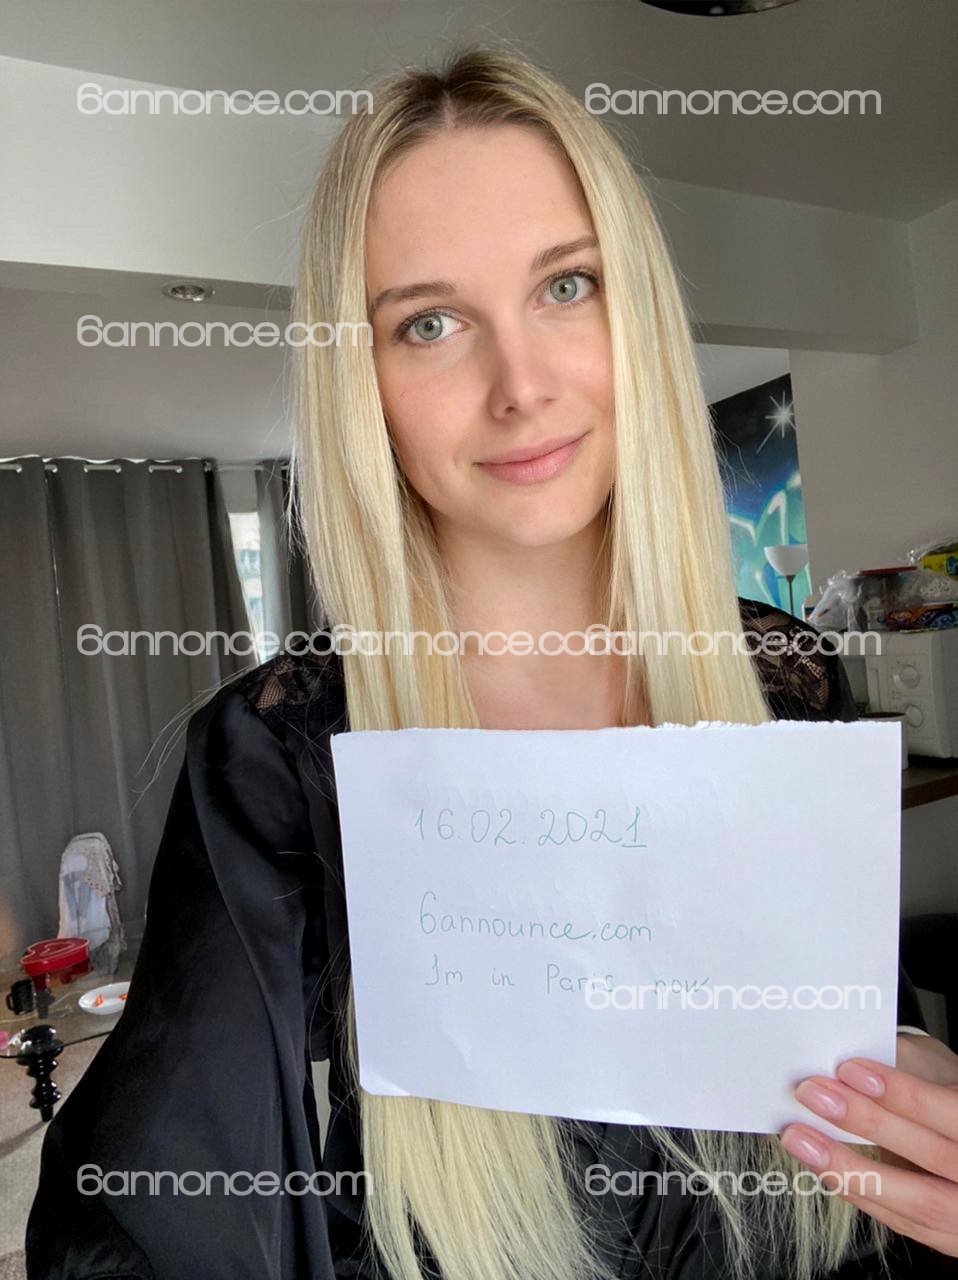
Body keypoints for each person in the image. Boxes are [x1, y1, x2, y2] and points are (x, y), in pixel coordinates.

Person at [26, 46, 958, 1280]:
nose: (520, 386)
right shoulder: (280, 756)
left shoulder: (781, 674)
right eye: (429, 322)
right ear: (361, 379)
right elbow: (150, 1208)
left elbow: (843, 1083)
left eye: (567, 286)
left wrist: (913, 1122)